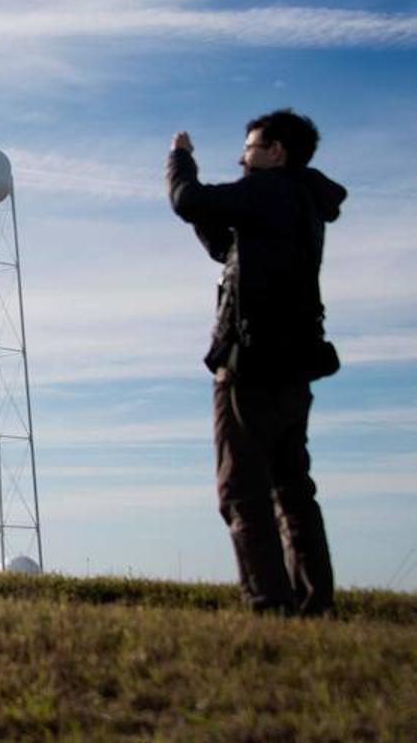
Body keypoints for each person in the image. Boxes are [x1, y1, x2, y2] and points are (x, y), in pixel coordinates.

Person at [166, 109, 346, 615]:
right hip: (294, 367)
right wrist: (207, 212)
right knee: (292, 487)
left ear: (275, 152)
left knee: (242, 489)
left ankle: (269, 604)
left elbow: (188, 199)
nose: (242, 157)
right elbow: (229, 249)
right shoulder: (302, 200)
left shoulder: (269, 191)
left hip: (251, 367)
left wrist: (179, 159)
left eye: (249, 148)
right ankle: (315, 602)